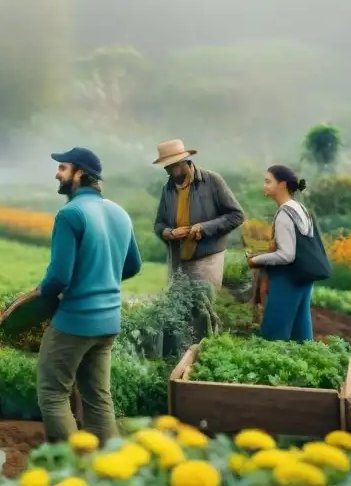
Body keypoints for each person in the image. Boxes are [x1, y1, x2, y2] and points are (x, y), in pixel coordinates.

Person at [37, 147, 142, 444]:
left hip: (75, 321)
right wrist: (100, 279)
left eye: (63, 168)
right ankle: (104, 472)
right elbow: (133, 265)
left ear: (80, 174)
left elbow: (59, 276)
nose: (58, 174)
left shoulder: (71, 214)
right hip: (108, 321)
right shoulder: (119, 212)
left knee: (53, 392)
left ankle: (72, 467)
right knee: (98, 398)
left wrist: (41, 295)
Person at [153, 139, 244, 291]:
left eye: (175, 163)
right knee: (179, 309)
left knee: (204, 308)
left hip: (207, 260)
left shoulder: (212, 181)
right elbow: (159, 224)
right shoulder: (167, 189)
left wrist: (203, 228)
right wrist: (169, 233)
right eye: (167, 165)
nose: (171, 168)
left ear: (184, 159)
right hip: (177, 261)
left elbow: (236, 215)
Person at [248, 166, 316, 342]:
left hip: (288, 278)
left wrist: (257, 259)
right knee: (300, 333)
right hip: (303, 277)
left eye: (268, 181)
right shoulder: (300, 208)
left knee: (274, 333)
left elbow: (287, 255)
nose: (264, 185)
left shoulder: (285, 213)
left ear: (282, 185)